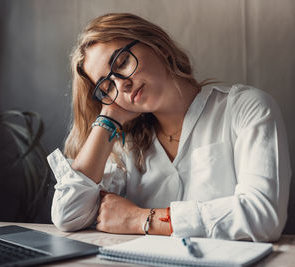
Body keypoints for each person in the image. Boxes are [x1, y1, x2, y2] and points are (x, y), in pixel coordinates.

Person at [47, 13, 291, 241]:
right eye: (107, 87)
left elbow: (264, 215)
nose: (123, 86)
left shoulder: (245, 108)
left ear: (158, 46)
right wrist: (108, 116)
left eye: (121, 63)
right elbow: (68, 215)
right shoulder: (126, 145)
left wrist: (140, 219)